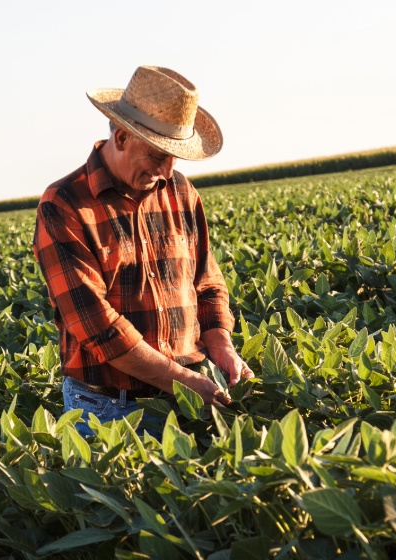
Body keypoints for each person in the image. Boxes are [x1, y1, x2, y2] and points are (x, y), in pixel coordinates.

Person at [33, 66, 253, 436]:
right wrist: (181, 381)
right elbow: (97, 326)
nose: (166, 170)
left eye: (174, 158)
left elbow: (207, 283)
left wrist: (220, 344)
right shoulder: (65, 204)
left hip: (190, 393)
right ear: (121, 137)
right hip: (110, 407)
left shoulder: (180, 191)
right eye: (156, 155)